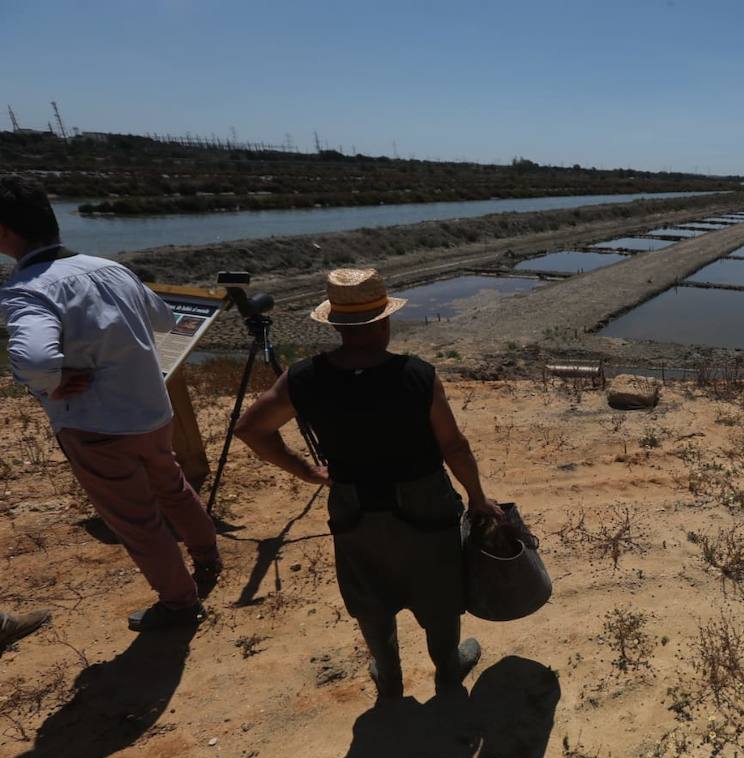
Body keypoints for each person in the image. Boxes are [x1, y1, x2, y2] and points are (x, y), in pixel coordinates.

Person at [234, 267, 501, 701]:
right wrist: (477, 497)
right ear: (384, 322)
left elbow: (251, 429)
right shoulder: (417, 375)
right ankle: (448, 669)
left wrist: (307, 472)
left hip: (353, 501)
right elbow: (453, 445)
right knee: (438, 586)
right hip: (424, 499)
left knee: (367, 586)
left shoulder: (303, 377)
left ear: (337, 325)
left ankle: (389, 677)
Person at [0, 176, 220, 636]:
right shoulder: (111, 268)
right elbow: (164, 319)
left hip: (96, 426)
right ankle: (207, 556)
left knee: (138, 522)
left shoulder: (28, 289)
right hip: (152, 411)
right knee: (173, 487)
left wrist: (50, 381)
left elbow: (34, 359)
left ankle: (180, 605)